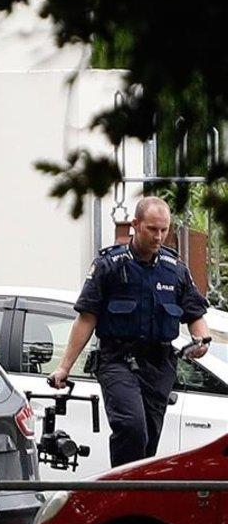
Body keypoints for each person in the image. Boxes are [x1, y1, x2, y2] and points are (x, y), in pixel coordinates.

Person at [48, 197, 211, 467]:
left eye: (164, 229)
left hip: (158, 366)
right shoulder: (110, 265)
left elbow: (196, 315)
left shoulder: (175, 269)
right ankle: (123, 492)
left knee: (148, 438)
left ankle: (136, 496)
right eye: (152, 229)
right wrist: (64, 368)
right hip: (117, 361)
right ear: (135, 225)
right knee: (131, 427)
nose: (159, 236)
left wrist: (200, 341)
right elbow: (86, 318)